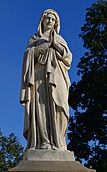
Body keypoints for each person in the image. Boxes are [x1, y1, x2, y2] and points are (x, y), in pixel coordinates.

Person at [20, 9, 72, 150]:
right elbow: (27, 58)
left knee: (58, 108)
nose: (49, 21)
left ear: (56, 23)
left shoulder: (59, 39)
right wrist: (37, 50)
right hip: (38, 76)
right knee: (40, 108)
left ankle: (59, 142)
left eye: (52, 19)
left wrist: (54, 44)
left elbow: (68, 58)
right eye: (47, 18)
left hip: (57, 77)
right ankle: (43, 141)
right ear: (42, 20)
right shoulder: (34, 39)